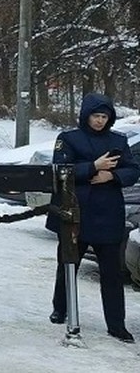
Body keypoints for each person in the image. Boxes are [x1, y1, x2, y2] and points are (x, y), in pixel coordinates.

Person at [46, 93, 139, 343]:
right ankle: (61, 308)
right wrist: (94, 167)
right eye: (95, 116)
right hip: (75, 213)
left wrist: (114, 177)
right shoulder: (69, 139)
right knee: (68, 265)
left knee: (112, 273)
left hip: (108, 214)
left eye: (104, 116)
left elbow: (132, 169)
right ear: (86, 116)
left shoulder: (118, 140)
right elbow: (60, 170)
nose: (99, 121)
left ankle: (116, 323)